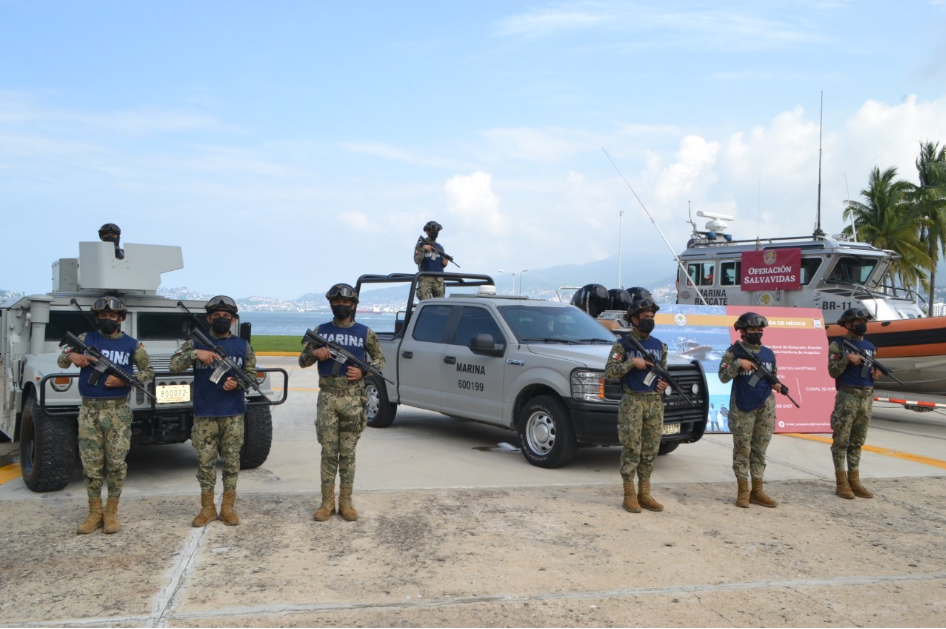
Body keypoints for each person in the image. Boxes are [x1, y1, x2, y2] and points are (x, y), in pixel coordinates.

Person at [58, 296, 153, 534]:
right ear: (97, 317)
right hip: (89, 410)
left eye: (112, 316)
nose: (107, 319)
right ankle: (94, 513)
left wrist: (125, 380)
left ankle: (111, 512)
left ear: (120, 319)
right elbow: (62, 359)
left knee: (116, 464)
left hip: (118, 411)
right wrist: (72, 356)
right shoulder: (85, 339)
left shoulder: (133, 345)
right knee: (91, 465)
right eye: (103, 316)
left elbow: (148, 371)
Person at [299, 283, 385, 522]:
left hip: (353, 399)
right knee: (328, 453)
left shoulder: (365, 332)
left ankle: (346, 502)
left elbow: (379, 359)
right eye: (336, 302)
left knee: (347, 453)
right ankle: (327, 503)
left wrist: (364, 373)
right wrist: (314, 353)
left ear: (353, 305)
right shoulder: (320, 331)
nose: (341, 306)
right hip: (327, 398)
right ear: (331, 304)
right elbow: (302, 361)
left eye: (346, 303)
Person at [169, 295, 257, 527]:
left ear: (233, 320)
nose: (221, 319)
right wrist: (195, 354)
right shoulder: (195, 343)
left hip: (233, 414)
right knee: (205, 465)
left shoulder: (243, 346)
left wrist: (237, 384)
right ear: (208, 318)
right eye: (216, 316)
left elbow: (252, 377)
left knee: (231, 463)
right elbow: (173, 365)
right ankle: (207, 508)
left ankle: (228, 508)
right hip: (205, 414)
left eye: (226, 317)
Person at [604, 298, 668, 513]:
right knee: (632, 449)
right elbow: (610, 371)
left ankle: (645, 493)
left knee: (650, 451)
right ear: (634, 319)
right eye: (645, 317)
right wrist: (632, 363)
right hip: (632, 402)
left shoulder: (659, 346)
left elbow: (663, 372)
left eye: (652, 318)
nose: (650, 321)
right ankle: (629, 495)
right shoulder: (622, 345)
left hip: (654, 403)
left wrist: (662, 384)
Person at [718, 312, 783, 509]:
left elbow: (772, 377)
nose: (757, 332)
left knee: (760, 450)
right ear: (743, 331)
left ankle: (758, 491)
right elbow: (722, 376)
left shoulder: (769, 354)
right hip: (743, 408)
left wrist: (778, 384)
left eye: (759, 329)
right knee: (742, 450)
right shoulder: (733, 352)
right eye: (753, 329)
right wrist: (738, 364)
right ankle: (743, 492)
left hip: (765, 408)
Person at [828, 308, 883, 500]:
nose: (862, 324)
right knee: (841, 441)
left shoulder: (869, 345)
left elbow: (870, 370)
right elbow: (833, 372)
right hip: (847, 396)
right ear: (848, 324)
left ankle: (855, 480)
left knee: (857, 441)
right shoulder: (838, 345)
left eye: (864, 320)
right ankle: (841, 482)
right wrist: (846, 359)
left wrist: (875, 374)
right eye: (857, 321)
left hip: (866, 397)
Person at [413, 221, 447, 300]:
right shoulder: (420, 245)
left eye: (437, 232)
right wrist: (423, 249)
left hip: (438, 280)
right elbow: (417, 260)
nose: (436, 233)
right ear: (427, 232)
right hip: (425, 279)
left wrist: (445, 263)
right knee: (426, 302)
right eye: (434, 232)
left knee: (439, 305)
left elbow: (441, 264)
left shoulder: (439, 247)